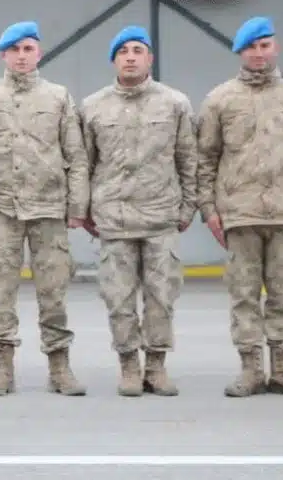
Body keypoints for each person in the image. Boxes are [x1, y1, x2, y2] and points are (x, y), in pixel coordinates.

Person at [197, 16, 283, 398]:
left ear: (276, 48)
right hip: (239, 214)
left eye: (265, 45)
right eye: (251, 47)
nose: (258, 53)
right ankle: (251, 369)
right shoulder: (220, 99)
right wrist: (209, 210)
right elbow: (205, 159)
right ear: (240, 52)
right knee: (244, 294)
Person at [80, 25, 197, 397]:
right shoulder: (93, 106)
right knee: (118, 297)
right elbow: (84, 163)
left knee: (162, 296)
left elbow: (187, 157)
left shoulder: (175, 103)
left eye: (137, 50)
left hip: (161, 216)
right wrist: (83, 211)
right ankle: (129, 366)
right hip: (113, 219)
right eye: (122, 51)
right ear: (114, 60)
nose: (130, 56)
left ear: (150, 57)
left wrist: (188, 205)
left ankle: (157, 367)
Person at [0, 21, 89, 397]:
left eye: (28, 49)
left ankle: (60, 367)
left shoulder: (58, 96)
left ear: (38, 53)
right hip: (1, 207)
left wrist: (77, 206)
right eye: (14, 50)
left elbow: (75, 154)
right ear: (3, 55)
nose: (22, 56)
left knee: (54, 290)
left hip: (48, 208)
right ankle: (1, 368)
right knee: (0, 291)